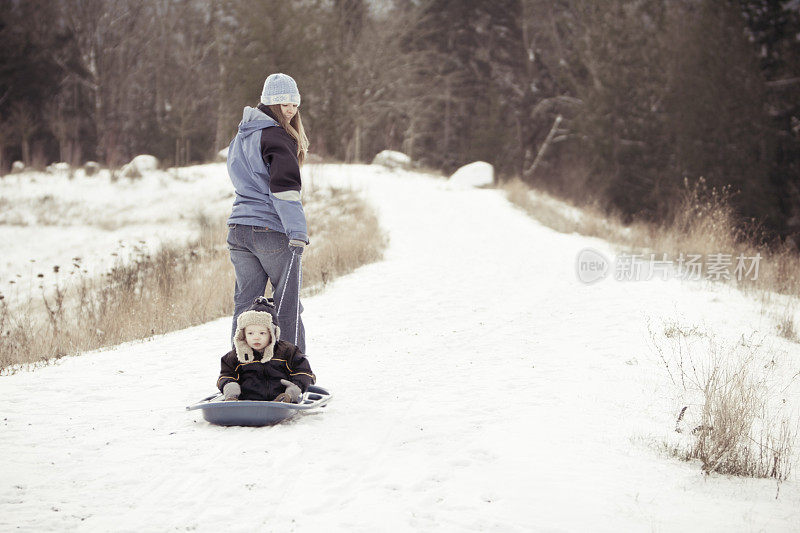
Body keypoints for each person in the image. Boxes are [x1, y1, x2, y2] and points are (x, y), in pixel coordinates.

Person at [226, 73, 310, 352]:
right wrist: (297, 232)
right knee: (286, 305)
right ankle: (292, 372)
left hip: (238, 230)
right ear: (271, 104)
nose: (291, 110)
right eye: (284, 103)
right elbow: (285, 190)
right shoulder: (277, 137)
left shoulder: (241, 136)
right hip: (270, 231)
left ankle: (241, 371)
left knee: (246, 307)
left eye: (295, 104)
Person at [218, 297, 315, 402]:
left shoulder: (287, 352)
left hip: (281, 399)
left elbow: (303, 372)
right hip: (247, 402)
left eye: (262, 333)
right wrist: (230, 388)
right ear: (243, 334)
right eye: (250, 333)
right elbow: (226, 375)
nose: (256, 337)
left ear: (272, 334)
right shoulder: (236, 356)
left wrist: (293, 389)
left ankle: (285, 398)